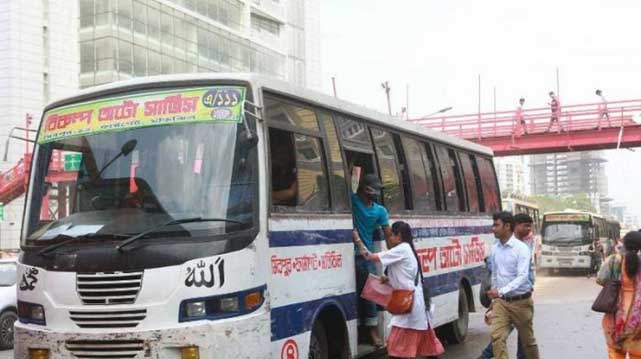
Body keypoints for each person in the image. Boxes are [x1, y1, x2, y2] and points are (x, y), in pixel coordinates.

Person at [353, 221, 444, 359]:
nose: (389, 238)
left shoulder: (401, 249)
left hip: (409, 306)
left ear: (399, 235)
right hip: (416, 304)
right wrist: (388, 279)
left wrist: (357, 240)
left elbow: (370, 257)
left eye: (392, 235)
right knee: (426, 347)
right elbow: (405, 275)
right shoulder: (408, 249)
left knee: (397, 347)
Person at [479, 213, 535, 359]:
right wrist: (495, 297)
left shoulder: (522, 249)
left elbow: (523, 276)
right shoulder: (495, 248)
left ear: (507, 226)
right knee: (497, 337)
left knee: (528, 343)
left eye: (496, 225)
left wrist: (501, 291)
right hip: (502, 302)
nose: (493, 229)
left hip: (521, 302)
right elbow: (495, 274)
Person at [352, 173, 392, 347]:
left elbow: (389, 236)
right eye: (374, 189)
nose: (376, 193)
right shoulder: (352, 201)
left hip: (366, 256)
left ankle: (372, 330)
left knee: (371, 291)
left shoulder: (380, 211)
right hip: (348, 253)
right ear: (365, 188)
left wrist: (395, 257)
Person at [598, 231, 641, 359]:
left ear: (624, 244)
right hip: (638, 319)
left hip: (616, 315)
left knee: (615, 353)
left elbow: (600, 279)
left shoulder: (614, 260)